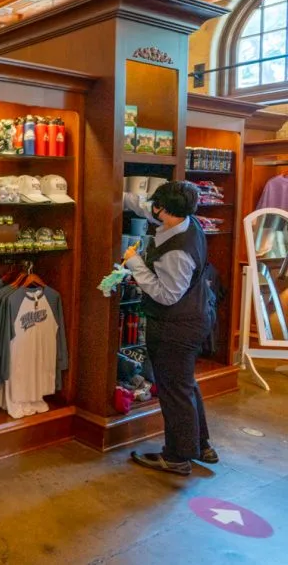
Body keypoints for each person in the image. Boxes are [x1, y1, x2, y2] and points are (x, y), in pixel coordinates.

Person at [123, 181, 218, 475]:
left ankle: (177, 456)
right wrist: (116, 194)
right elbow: (143, 207)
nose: (153, 208)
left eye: (156, 205)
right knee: (184, 384)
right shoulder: (186, 222)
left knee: (173, 389)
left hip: (176, 326)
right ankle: (199, 445)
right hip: (195, 315)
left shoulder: (178, 252)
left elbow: (166, 294)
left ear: (165, 209)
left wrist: (134, 263)